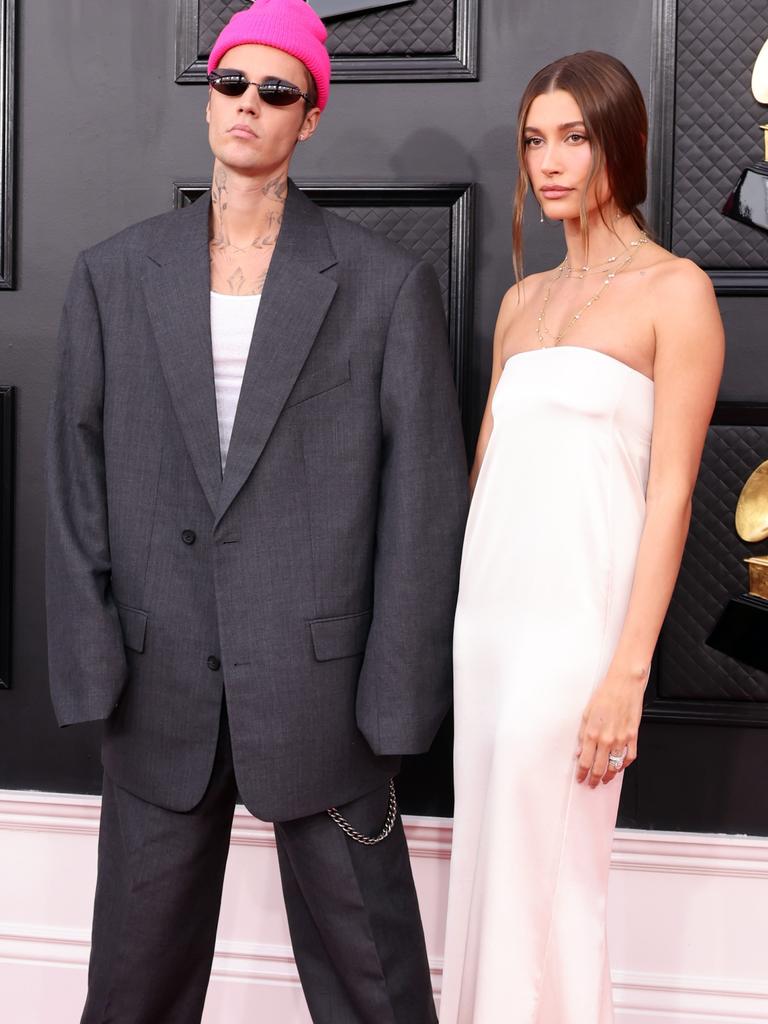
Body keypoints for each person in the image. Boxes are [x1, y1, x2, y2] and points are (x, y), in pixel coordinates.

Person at [45, 1, 468, 1021]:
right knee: (132, 988)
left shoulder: (382, 285)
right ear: (209, 99)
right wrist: (94, 662)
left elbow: (422, 510)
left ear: (309, 117)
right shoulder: (113, 276)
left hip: (325, 701)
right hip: (158, 691)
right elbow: (74, 479)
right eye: (233, 83)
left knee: (378, 989)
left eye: (276, 91)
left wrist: (396, 702)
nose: (247, 106)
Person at [439, 51, 724, 1023]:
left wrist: (625, 672)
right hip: (488, 627)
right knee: (491, 872)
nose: (548, 160)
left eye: (573, 136)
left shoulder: (676, 292)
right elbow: (487, 481)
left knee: (556, 880)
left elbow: (674, 493)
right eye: (533, 139)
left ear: (623, 144)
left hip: (579, 636)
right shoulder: (521, 305)